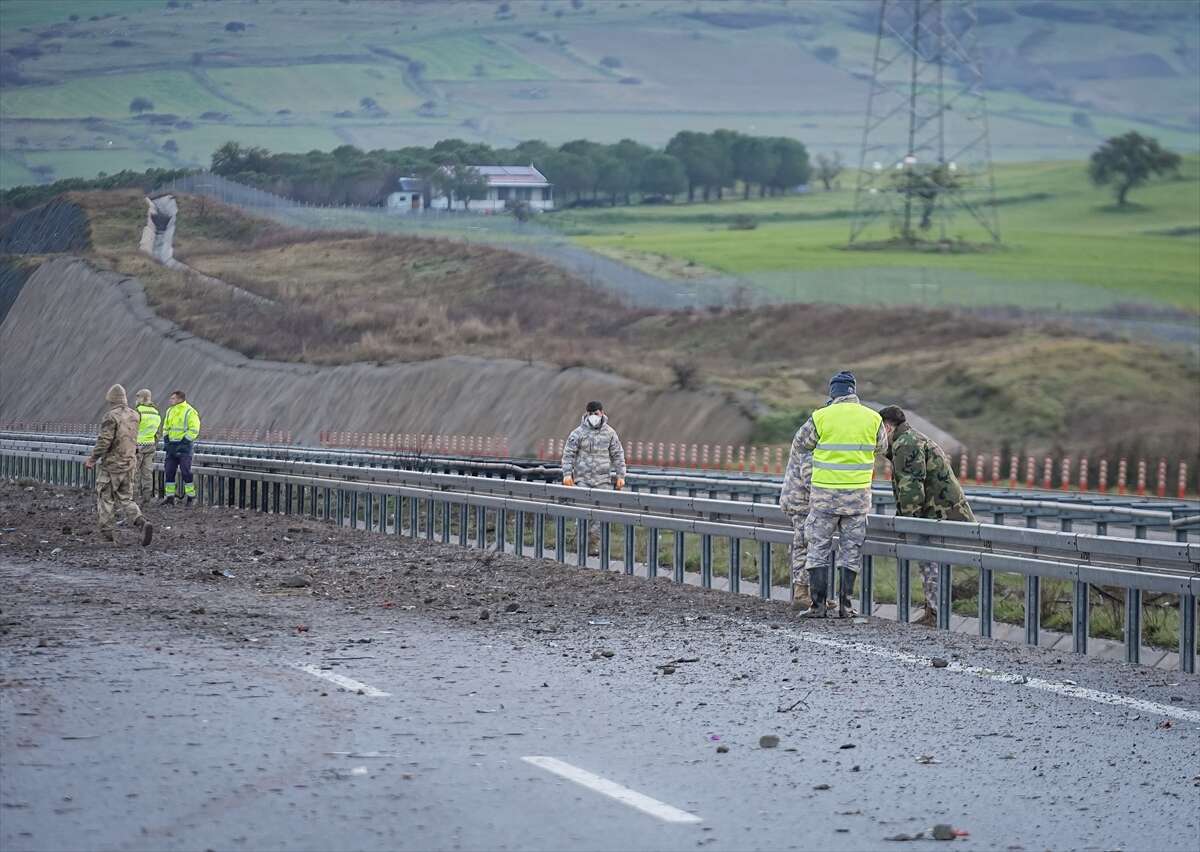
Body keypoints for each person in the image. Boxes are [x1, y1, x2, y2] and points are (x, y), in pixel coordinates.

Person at [796, 371, 886, 618]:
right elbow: (882, 447)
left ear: (832, 393)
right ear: (854, 391)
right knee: (851, 551)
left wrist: (808, 476)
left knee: (818, 549)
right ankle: (846, 606)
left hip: (824, 497)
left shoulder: (820, 417)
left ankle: (817, 606)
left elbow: (801, 445)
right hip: (857, 499)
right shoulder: (873, 418)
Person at [879, 405, 976, 627]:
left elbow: (911, 487)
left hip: (939, 513)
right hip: (939, 511)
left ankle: (936, 613)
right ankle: (933, 610)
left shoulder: (906, 444)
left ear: (887, 426)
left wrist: (907, 522)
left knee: (930, 562)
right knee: (930, 562)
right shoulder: (910, 439)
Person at [84, 384, 153, 546]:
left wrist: (93, 459)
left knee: (105, 498)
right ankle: (141, 521)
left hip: (112, 466)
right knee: (126, 498)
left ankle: (108, 535)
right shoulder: (135, 415)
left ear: (111, 399)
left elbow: (104, 441)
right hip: (130, 463)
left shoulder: (111, 416)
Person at [779, 421, 814, 609]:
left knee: (807, 544)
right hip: (800, 500)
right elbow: (809, 476)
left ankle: (812, 594)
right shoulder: (809, 441)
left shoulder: (808, 431)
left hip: (799, 497)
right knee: (803, 544)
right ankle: (801, 593)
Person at [561, 401, 626, 491]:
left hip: (603, 481)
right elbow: (568, 454)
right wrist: (567, 474)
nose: (593, 416)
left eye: (596, 413)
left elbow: (618, 455)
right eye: (590, 414)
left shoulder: (610, 433)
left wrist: (621, 476)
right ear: (586, 414)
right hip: (582, 480)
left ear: (602, 413)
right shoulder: (578, 433)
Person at [161, 389, 201, 506]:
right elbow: (165, 427)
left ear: (180, 399)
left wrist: (183, 443)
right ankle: (169, 497)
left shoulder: (190, 411)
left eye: (173, 398)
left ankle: (191, 497)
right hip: (172, 447)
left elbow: (194, 429)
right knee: (169, 471)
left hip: (185, 447)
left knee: (185, 472)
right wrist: (167, 441)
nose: (170, 400)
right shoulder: (169, 411)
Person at [133, 389, 161, 504]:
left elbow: (131, 429)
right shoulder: (155, 412)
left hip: (137, 447)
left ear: (141, 398)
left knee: (134, 473)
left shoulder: (137, 411)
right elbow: (158, 433)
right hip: (150, 446)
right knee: (147, 473)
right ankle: (147, 498)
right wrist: (153, 442)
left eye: (137, 397)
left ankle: (132, 498)